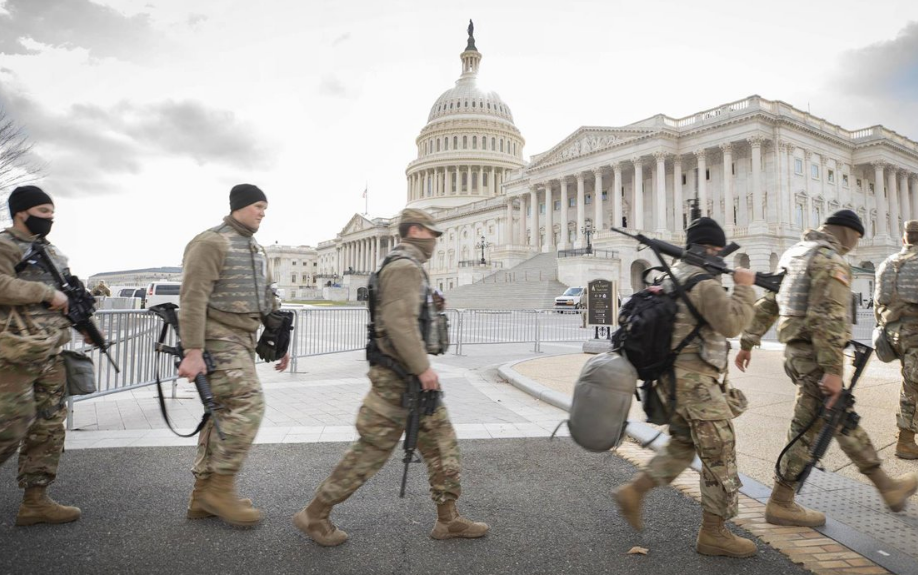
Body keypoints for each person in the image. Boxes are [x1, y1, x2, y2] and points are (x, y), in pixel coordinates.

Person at [294, 208, 488, 547]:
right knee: (371, 449)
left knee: (442, 443)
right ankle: (315, 513)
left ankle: (448, 519)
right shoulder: (403, 267)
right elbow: (399, 323)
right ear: (415, 231)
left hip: (409, 377)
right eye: (432, 233)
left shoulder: (406, 266)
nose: (436, 241)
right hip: (398, 378)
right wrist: (422, 368)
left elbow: (408, 316)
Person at [736, 210, 917, 528]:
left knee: (839, 418)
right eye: (856, 239)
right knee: (806, 431)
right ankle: (781, 502)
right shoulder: (831, 259)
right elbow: (829, 317)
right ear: (849, 233)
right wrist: (833, 370)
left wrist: (749, 340)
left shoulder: (796, 253)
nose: (854, 247)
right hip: (816, 357)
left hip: (797, 352)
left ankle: (887, 487)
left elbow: (770, 301)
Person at [612, 217, 758, 558]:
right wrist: (745, 286)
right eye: (719, 248)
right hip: (696, 387)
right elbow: (732, 323)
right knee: (720, 454)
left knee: (683, 444)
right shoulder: (704, 283)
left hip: (673, 383)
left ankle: (634, 491)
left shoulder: (674, 276)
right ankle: (714, 533)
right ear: (712, 248)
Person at [177, 183, 290, 527]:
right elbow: (192, 299)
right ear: (239, 206)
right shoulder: (211, 242)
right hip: (216, 338)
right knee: (248, 405)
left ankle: (202, 497)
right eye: (257, 206)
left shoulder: (255, 249)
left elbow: (267, 298)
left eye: (265, 208)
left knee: (221, 414)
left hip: (242, 339)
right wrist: (193, 351)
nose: (262, 213)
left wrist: (281, 345)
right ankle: (221, 489)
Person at [0, 185, 82, 526]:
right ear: (22, 212)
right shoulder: (5, 245)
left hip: (49, 353)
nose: (51, 218)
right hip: (13, 353)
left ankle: (36, 500)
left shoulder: (50, 251)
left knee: (48, 426)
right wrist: (44, 292)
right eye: (44, 211)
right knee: (10, 425)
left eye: (52, 212)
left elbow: (66, 295)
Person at [874, 220, 918, 459]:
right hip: (915, 335)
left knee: (910, 382)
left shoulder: (887, 263)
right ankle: (906, 440)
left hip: (893, 335)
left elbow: (878, 303)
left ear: (904, 239)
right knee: (912, 386)